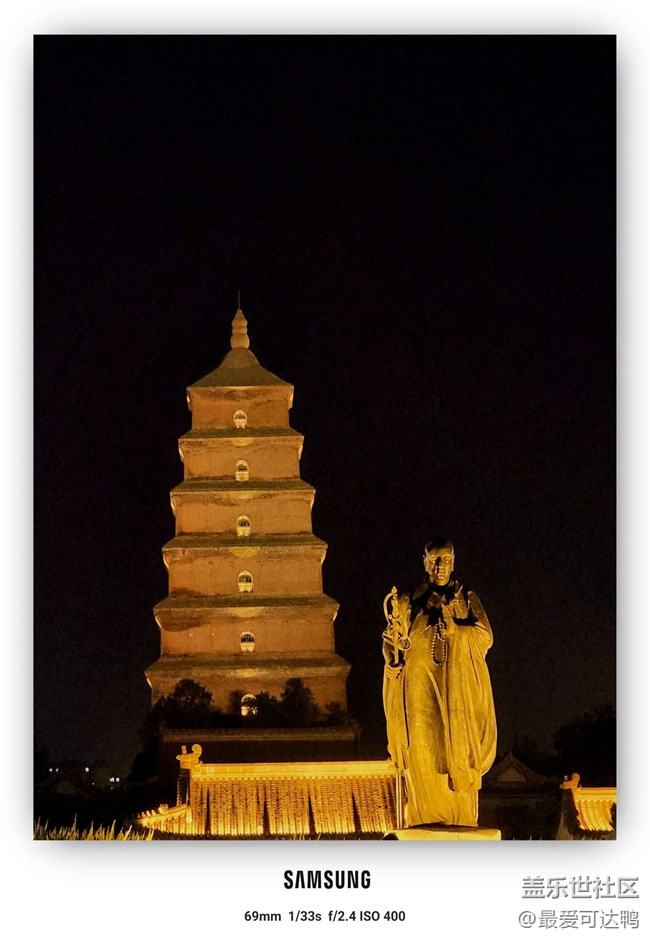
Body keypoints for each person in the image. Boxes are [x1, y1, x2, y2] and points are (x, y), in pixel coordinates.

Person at [382, 538, 496, 827]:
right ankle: (424, 817)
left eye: (445, 559)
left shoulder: (466, 599)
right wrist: (392, 659)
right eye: (434, 559)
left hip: (456, 689)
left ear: (454, 562)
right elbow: (392, 641)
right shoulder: (408, 601)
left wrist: (456, 629)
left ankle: (460, 818)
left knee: (455, 752)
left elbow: (485, 637)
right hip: (417, 685)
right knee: (421, 748)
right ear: (425, 563)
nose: (440, 565)